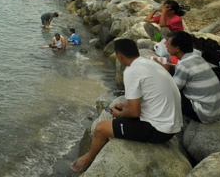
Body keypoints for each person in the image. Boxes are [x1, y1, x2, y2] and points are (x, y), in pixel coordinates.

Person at [70, 38, 182, 173]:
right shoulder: (148, 63)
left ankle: (89, 157)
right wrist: (125, 107)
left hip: (159, 130)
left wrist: (119, 114)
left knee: (101, 128)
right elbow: (144, 99)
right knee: (121, 112)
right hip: (171, 124)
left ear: (120, 56)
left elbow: (134, 112)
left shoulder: (132, 71)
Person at [156, 31, 220, 123]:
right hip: (217, 111)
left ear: (177, 48)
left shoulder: (184, 65)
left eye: (168, 44)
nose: (166, 46)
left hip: (206, 114)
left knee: (168, 90)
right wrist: (169, 67)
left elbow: (173, 88)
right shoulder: (197, 57)